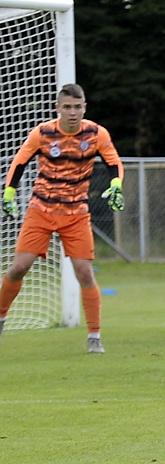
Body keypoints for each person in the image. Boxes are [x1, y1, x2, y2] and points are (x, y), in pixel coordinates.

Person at [0, 83, 124, 354]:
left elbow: (114, 161)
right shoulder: (42, 133)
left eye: (77, 107)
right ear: (58, 108)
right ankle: (1, 317)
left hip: (76, 213)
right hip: (41, 210)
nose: (72, 112)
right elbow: (19, 163)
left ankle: (94, 336)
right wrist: (9, 192)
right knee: (19, 267)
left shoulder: (96, 133)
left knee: (84, 272)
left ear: (84, 108)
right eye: (67, 107)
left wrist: (116, 185)